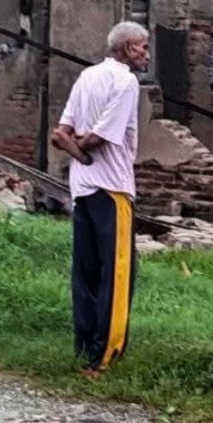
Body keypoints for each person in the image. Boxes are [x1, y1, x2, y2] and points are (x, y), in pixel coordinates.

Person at [51, 21, 150, 379]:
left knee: (87, 273)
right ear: (125, 48)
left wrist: (72, 148)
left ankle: (84, 349)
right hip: (113, 189)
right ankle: (103, 357)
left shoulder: (86, 77)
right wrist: (81, 147)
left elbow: (63, 133)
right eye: (142, 47)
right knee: (118, 273)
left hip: (83, 188)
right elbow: (99, 138)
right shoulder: (125, 82)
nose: (146, 54)